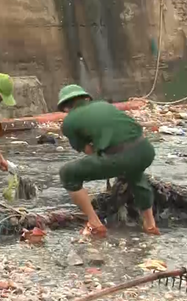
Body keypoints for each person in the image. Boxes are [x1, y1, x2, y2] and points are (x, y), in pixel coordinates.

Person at [57, 84, 159, 237]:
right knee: (135, 174)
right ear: (86, 98)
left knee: (68, 173)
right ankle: (150, 224)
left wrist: (105, 156)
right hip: (145, 150)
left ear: (65, 108)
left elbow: (89, 151)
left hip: (120, 156)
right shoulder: (103, 105)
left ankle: (94, 222)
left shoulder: (69, 122)